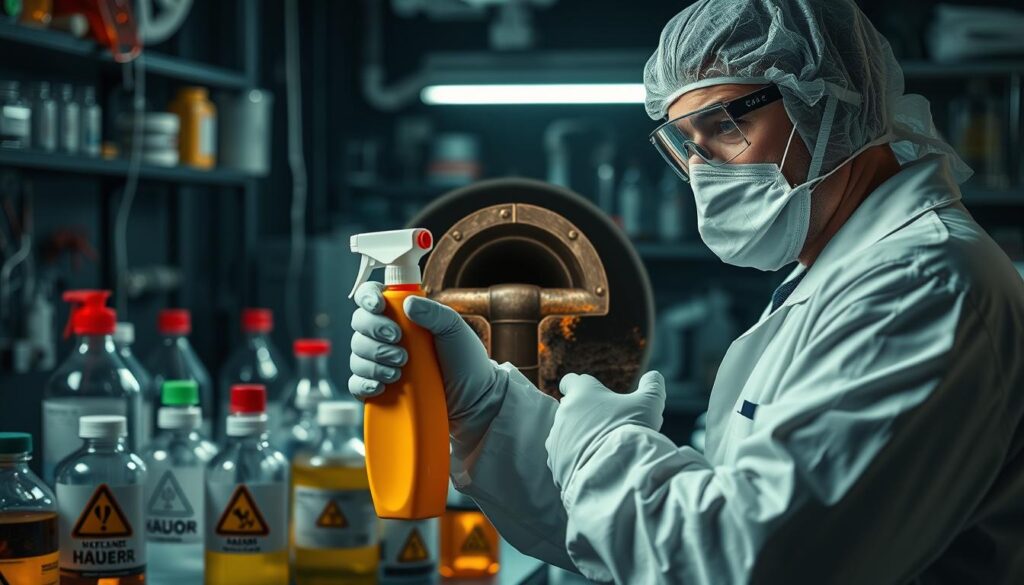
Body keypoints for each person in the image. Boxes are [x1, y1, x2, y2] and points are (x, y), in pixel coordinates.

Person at [349, 0, 1024, 582]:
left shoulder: (920, 285)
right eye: (686, 144)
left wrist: (597, 442)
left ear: (829, 102)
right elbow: (652, 533)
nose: (703, 171)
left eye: (727, 125)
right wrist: (486, 407)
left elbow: (737, 559)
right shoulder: (841, 271)